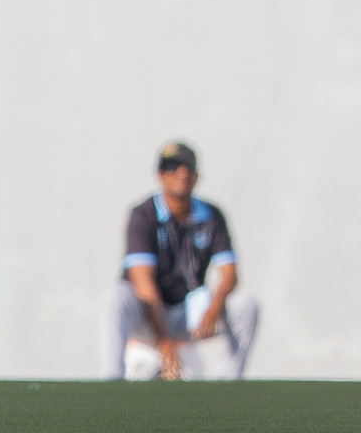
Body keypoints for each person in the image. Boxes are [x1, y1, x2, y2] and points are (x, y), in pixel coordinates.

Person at [99, 141, 260, 379]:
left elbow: (229, 274)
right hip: (148, 314)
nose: (181, 174)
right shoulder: (143, 214)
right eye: (172, 168)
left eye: (187, 168)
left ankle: (227, 381)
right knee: (116, 295)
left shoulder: (212, 215)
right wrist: (163, 341)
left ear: (196, 176)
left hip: (189, 312)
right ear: (160, 175)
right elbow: (143, 284)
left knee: (245, 306)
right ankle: (112, 376)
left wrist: (213, 309)